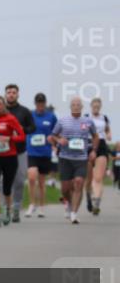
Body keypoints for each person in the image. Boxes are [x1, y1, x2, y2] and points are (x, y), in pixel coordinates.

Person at [49, 96, 99, 225]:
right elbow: (53, 135)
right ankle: (69, 203)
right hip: (65, 158)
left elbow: (95, 136)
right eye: (73, 104)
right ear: (70, 107)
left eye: (78, 104)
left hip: (81, 159)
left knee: (78, 182)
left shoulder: (88, 121)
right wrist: (59, 140)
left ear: (82, 107)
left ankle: (74, 214)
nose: (76, 106)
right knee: (65, 189)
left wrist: (93, 150)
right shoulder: (63, 120)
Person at [0, 96, 26, 227]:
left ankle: (7, 210)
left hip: (10, 157)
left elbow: (22, 136)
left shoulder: (10, 119)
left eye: (0, 104)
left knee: (7, 188)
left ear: (4, 105)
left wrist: (9, 139)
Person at [3, 84, 36, 223]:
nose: (11, 94)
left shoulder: (24, 111)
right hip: (3, 151)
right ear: (5, 94)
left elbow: (32, 128)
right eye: (9, 92)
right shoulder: (0, 111)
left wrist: (22, 129)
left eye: (13, 92)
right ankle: (5, 209)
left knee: (19, 181)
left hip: (20, 151)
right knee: (3, 181)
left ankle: (16, 207)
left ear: (18, 95)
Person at [24, 92, 57, 218]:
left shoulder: (51, 117)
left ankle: (41, 207)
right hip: (32, 151)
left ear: (45, 103)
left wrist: (52, 139)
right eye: (38, 103)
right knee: (32, 178)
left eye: (42, 103)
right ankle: (32, 204)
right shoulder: (30, 115)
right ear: (35, 103)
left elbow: (57, 132)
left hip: (45, 152)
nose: (40, 105)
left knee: (42, 182)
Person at [84, 97, 112, 215]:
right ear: (91, 107)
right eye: (94, 106)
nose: (96, 108)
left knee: (98, 178)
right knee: (89, 178)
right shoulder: (86, 117)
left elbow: (107, 131)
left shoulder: (104, 118)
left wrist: (109, 135)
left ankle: (97, 202)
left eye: (98, 106)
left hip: (101, 145)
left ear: (100, 107)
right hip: (89, 145)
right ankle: (89, 197)